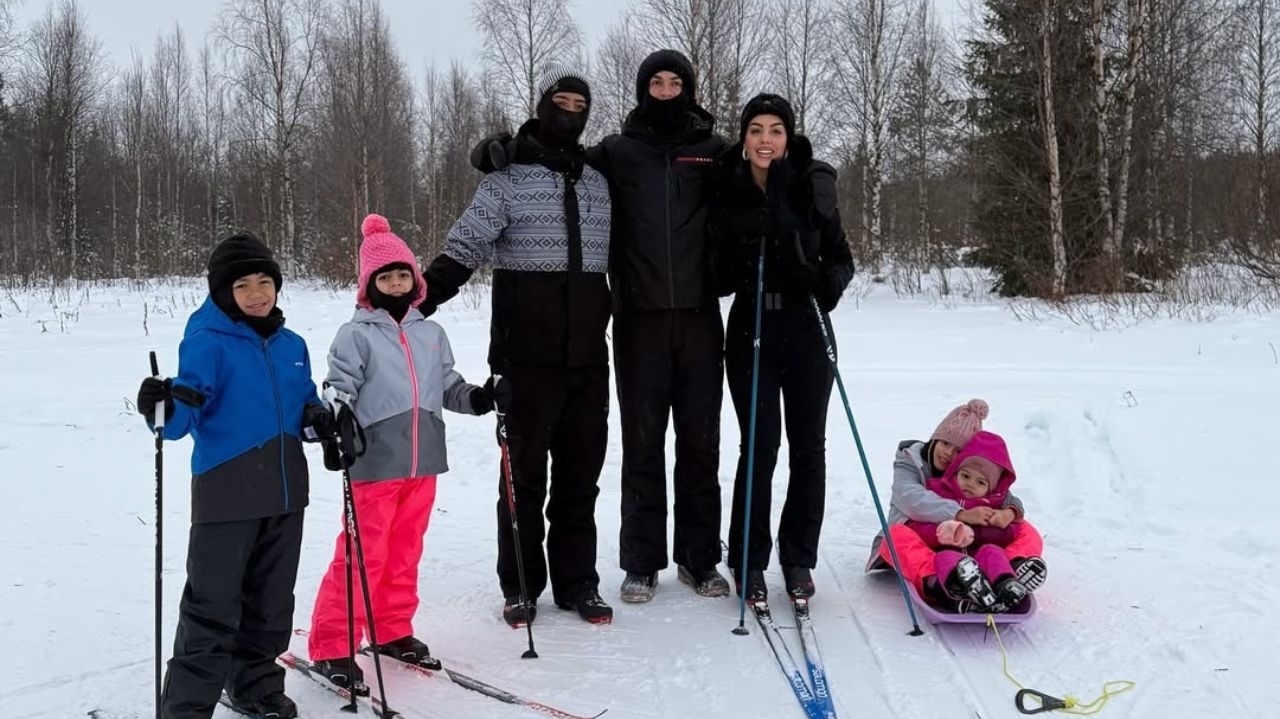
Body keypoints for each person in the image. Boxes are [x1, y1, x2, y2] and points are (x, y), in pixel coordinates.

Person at [473, 49, 731, 604]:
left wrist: (807, 168)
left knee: (701, 444)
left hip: (701, 319)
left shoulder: (713, 152)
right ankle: (641, 562)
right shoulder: (616, 152)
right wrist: (503, 149)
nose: (665, 89)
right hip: (638, 320)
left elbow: (763, 175)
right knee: (641, 444)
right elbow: (555, 154)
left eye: (674, 81)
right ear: (643, 90)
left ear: (688, 87)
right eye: (655, 81)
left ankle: (700, 557)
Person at [420, 64, 615, 626]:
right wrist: (418, 301)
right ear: (542, 104)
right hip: (525, 358)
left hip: (587, 357)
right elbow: (465, 246)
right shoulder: (505, 180)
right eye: (561, 101)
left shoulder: (599, 182)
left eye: (581, 104)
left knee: (581, 478)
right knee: (522, 480)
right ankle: (522, 585)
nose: (570, 112)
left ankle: (579, 583)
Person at [135, 233, 329, 719]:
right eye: (244, 285)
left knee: (271, 602)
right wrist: (162, 405)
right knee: (212, 606)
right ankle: (186, 707)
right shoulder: (207, 341)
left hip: (286, 494)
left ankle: (256, 686)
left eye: (266, 282)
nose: (258, 293)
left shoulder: (292, 345)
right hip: (227, 494)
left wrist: (322, 419)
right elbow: (184, 415)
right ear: (224, 293)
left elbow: (304, 404)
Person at [307, 215, 493, 689]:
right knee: (360, 555)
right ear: (369, 283)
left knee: (405, 551)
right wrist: (335, 414)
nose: (395, 281)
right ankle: (333, 644)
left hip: (423, 459)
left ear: (415, 278)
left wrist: (478, 398)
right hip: (375, 461)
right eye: (384, 275)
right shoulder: (357, 335)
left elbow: (446, 386)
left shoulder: (431, 334)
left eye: (402, 273)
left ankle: (391, 630)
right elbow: (339, 385)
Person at [710, 93, 855, 603]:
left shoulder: (810, 184)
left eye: (775, 130)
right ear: (744, 138)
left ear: (787, 137)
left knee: (808, 448)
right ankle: (748, 560)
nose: (765, 139)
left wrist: (817, 278)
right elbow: (715, 273)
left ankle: (798, 559)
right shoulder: (726, 187)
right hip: (752, 326)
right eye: (756, 130)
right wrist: (735, 258)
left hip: (807, 327)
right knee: (760, 447)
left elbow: (842, 260)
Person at [865, 400, 1049, 611]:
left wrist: (1009, 512)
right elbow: (910, 499)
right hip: (923, 542)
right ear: (935, 438)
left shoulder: (967, 472)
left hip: (974, 550)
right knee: (894, 536)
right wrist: (961, 514)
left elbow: (1004, 495)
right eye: (945, 443)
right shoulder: (910, 462)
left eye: (957, 450)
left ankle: (1007, 574)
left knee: (1025, 529)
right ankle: (938, 582)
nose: (947, 453)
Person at [903, 431, 1032, 611]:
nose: (970, 484)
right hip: (948, 554)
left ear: (991, 488)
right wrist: (941, 532)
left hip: (980, 557)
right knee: (945, 558)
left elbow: (1011, 530)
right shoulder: (939, 493)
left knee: (992, 551)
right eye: (965, 476)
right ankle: (959, 596)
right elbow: (916, 524)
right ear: (955, 473)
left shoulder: (995, 504)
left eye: (980, 482)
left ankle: (1006, 586)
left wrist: (995, 523)